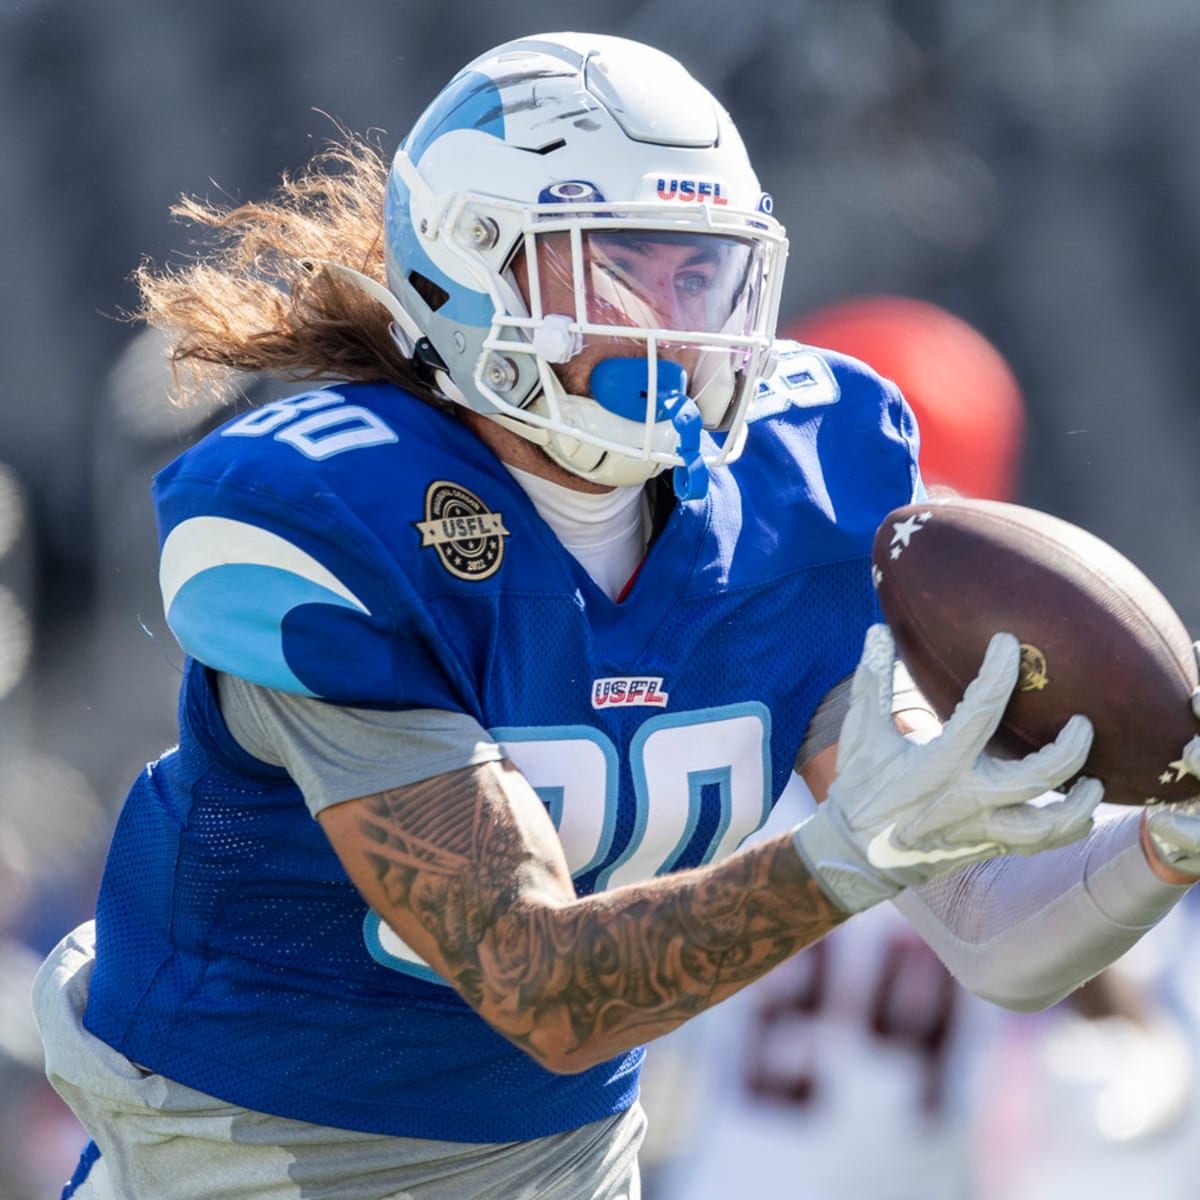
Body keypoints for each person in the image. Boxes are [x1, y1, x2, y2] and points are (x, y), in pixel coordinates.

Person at [30, 31, 1200, 1200]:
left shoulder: (805, 482)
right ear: (467, 264)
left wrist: (1162, 842)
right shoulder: (331, 506)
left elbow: (992, 933)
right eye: (617, 270)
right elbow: (538, 986)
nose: (673, 325)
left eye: (701, 274)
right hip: (255, 1165)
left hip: (571, 1169)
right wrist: (847, 857)